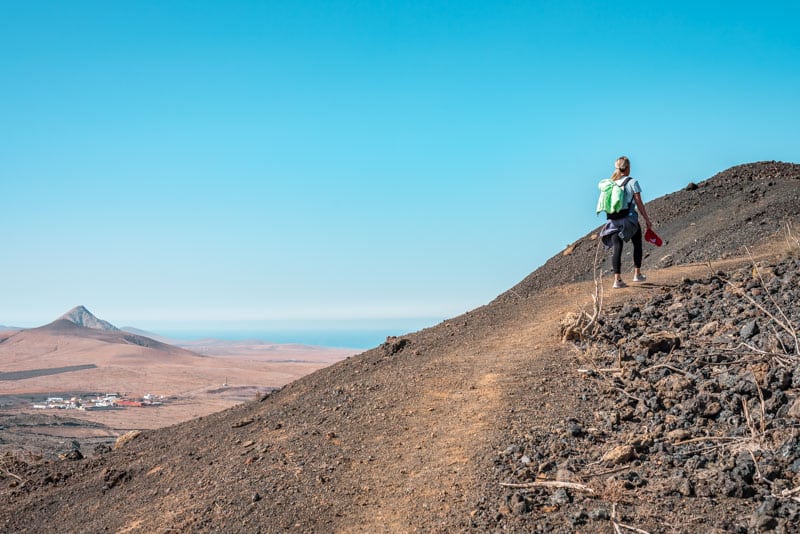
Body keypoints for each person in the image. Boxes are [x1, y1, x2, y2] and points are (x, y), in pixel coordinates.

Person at [599, 156, 654, 288]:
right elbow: (639, 203)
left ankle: (617, 280)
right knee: (637, 244)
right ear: (628, 167)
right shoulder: (632, 182)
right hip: (629, 220)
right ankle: (637, 274)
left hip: (613, 221)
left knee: (617, 248)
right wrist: (647, 220)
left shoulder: (611, 184)